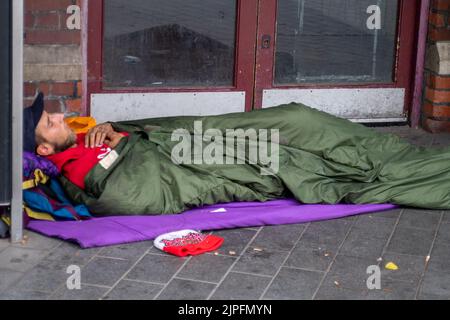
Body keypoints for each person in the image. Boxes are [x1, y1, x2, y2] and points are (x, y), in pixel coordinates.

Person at [23, 92, 450, 215]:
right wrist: (130, 145)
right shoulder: (78, 171)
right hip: (213, 161)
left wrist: (116, 131)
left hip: (198, 141)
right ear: (43, 148)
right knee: (324, 167)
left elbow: (126, 136)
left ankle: (382, 154)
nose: (60, 116)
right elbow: (138, 193)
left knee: (297, 118)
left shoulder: (79, 142)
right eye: (50, 121)